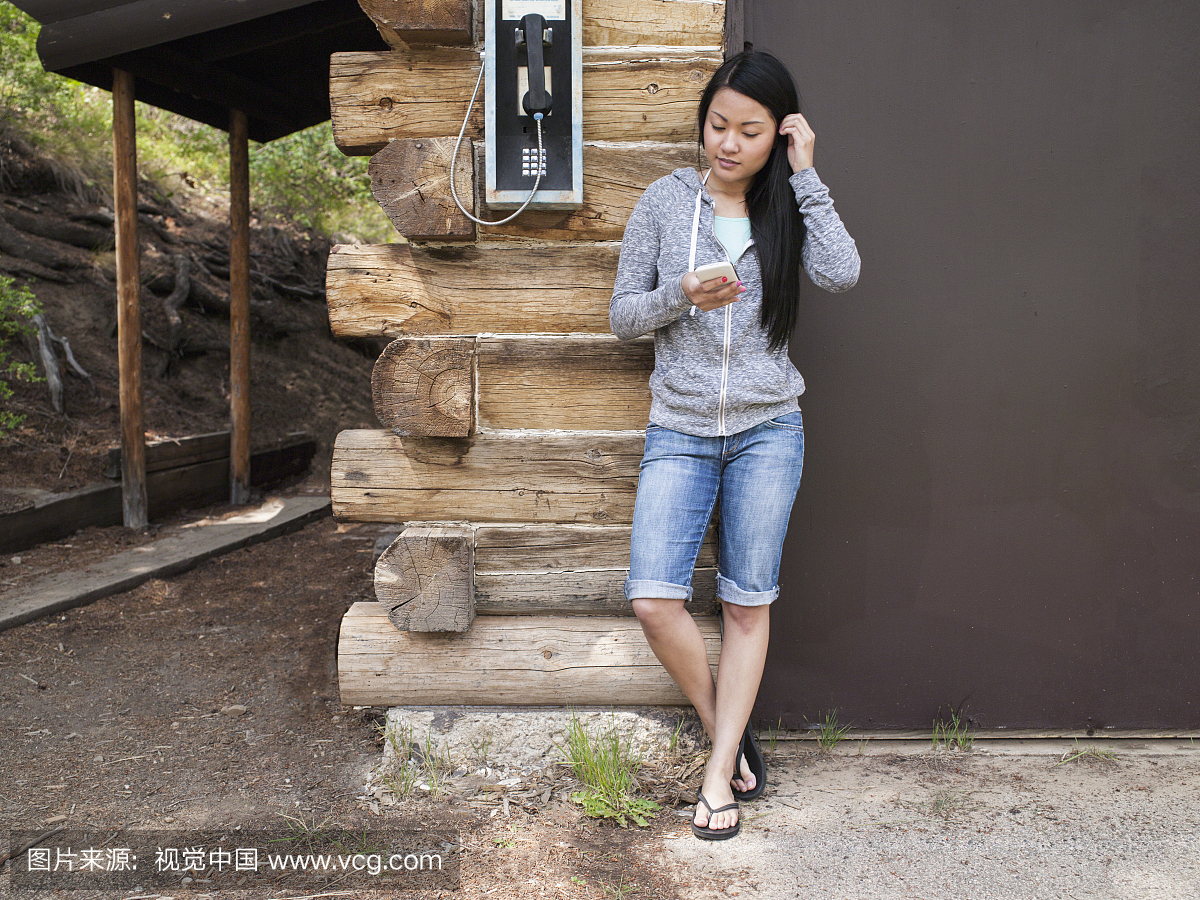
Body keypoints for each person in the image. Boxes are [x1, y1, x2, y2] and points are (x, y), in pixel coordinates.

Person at [609, 50, 860, 840]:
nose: (728, 143)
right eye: (719, 124)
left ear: (778, 136)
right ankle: (730, 728)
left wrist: (808, 175)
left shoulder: (787, 207)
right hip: (679, 428)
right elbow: (621, 316)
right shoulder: (663, 202)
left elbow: (844, 273)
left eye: (750, 131)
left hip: (767, 429)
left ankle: (719, 777)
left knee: (748, 603)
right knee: (655, 599)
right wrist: (680, 297)